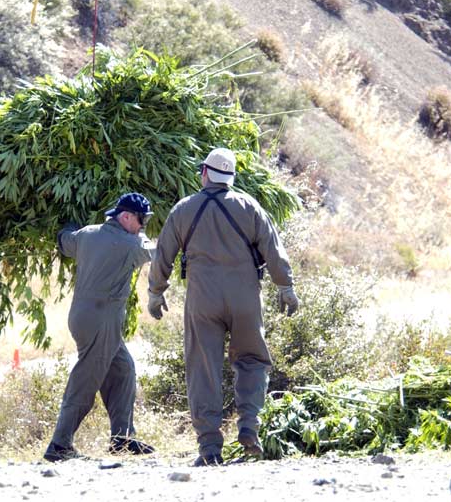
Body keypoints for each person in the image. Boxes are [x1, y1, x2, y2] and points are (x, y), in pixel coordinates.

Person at [147, 147, 299, 466]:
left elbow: (163, 255)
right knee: (253, 360)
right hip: (245, 297)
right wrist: (285, 286)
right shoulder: (249, 205)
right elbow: (273, 248)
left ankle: (209, 447)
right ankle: (249, 426)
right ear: (230, 177)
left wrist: (156, 292)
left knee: (203, 368)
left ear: (205, 173)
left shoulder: (184, 209)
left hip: (202, 300)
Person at [43, 192, 158, 462]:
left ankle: (122, 438)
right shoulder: (131, 245)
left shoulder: (87, 234)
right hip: (101, 321)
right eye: (141, 220)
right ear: (126, 217)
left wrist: (67, 224)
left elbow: (64, 240)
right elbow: (159, 252)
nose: (143, 225)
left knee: (123, 369)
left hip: (83, 317)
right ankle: (59, 445)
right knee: (86, 381)